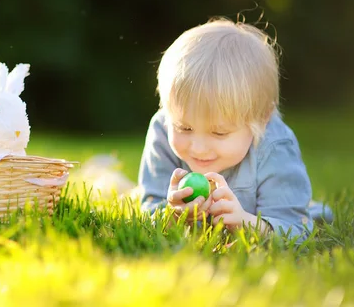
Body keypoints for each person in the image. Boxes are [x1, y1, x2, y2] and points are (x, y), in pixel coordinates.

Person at [137, 17, 333, 241]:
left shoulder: (275, 147)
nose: (198, 148)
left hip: (272, 208)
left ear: (261, 119)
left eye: (219, 133)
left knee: (309, 213)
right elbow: (149, 213)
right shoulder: (163, 131)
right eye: (184, 127)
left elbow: (294, 230)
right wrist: (173, 215)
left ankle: (305, 202)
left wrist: (245, 222)